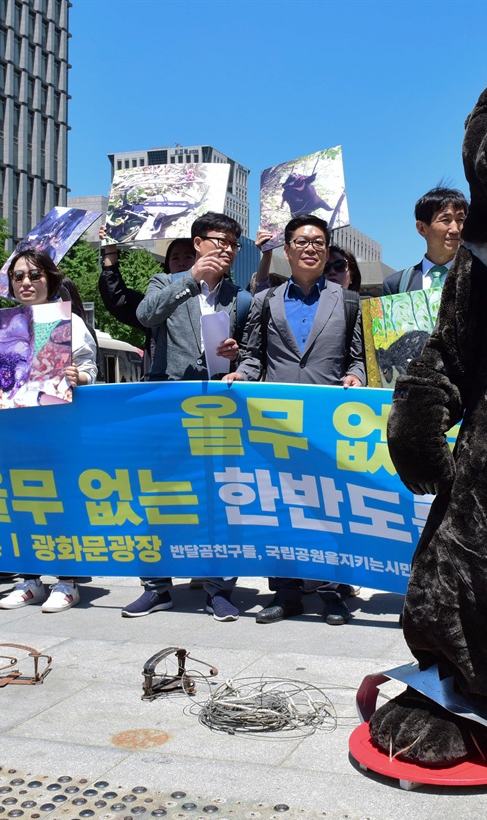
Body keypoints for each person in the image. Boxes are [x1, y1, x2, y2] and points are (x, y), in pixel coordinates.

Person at [228, 214, 366, 626]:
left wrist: (356, 376)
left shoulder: (347, 301)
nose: (311, 248)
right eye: (302, 241)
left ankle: (332, 592)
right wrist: (242, 374)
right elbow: (253, 355)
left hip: (328, 422)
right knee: (280, 506)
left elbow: (357, 357)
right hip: (277, 421)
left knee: (331, 508)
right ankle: (285, 592)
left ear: (327, 251)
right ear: (286, 250)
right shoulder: (265, 300)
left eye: (319, 242)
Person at [124, 212, 248, 621]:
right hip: (167, 402)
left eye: (233, 243)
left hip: (216, 407)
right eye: (220, 240)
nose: (227, 249)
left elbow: (252, 353)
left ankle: (218, 589)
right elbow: (146, 315)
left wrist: (237, 356)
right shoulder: (167, 282)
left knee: (219, 499)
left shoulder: (240, 296)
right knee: (159, 496)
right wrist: (190, 278)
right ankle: (156, 587)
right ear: (198, 243)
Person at [0, 249, 97, 613]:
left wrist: (78, 376)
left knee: (60, 503)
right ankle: (29, 580)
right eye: (18, 276)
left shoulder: (68, 323)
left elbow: (90, 369)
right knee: (20, 503)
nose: (26, 282)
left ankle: (67, 582)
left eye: (34, 276)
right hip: (13, 430)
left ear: (50, 281)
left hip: (58, 428)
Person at [97, 226, 197, 368]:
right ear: (167, 265)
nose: (181, 262)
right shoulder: (153, 305)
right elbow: (118, 297)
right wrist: (110, 248)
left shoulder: (216, 296)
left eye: (188, 257)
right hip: (164, 382)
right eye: (175, 258)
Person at [381, 187, 467, 295]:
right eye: (446, 220)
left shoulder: (483, 278)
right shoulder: (396, 285)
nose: (455, 229)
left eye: (460, 220)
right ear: (422, 228)